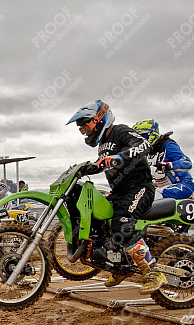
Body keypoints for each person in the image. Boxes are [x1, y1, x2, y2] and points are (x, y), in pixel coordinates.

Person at [66, 99, 166, 295]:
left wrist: (120, 157)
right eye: (82, 131)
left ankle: (154, 273)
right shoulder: (103, 143)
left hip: (139, 187)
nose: (85, 132)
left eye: (86, 127)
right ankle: (121, 267)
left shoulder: (120, 131)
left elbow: (143, 145)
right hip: (119, 192)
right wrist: (87, 168)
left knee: (122, 222)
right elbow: (103, 163)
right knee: (103, 223)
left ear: (98, 119)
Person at [132, 119, 194, 200]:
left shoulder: (168, 145)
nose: (140, 140)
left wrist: (168, 165)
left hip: (183, 185)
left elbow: (187, 163)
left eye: (142, 136)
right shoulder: (148, 152)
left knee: (150, 197)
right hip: (163, 187)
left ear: (151, 134)